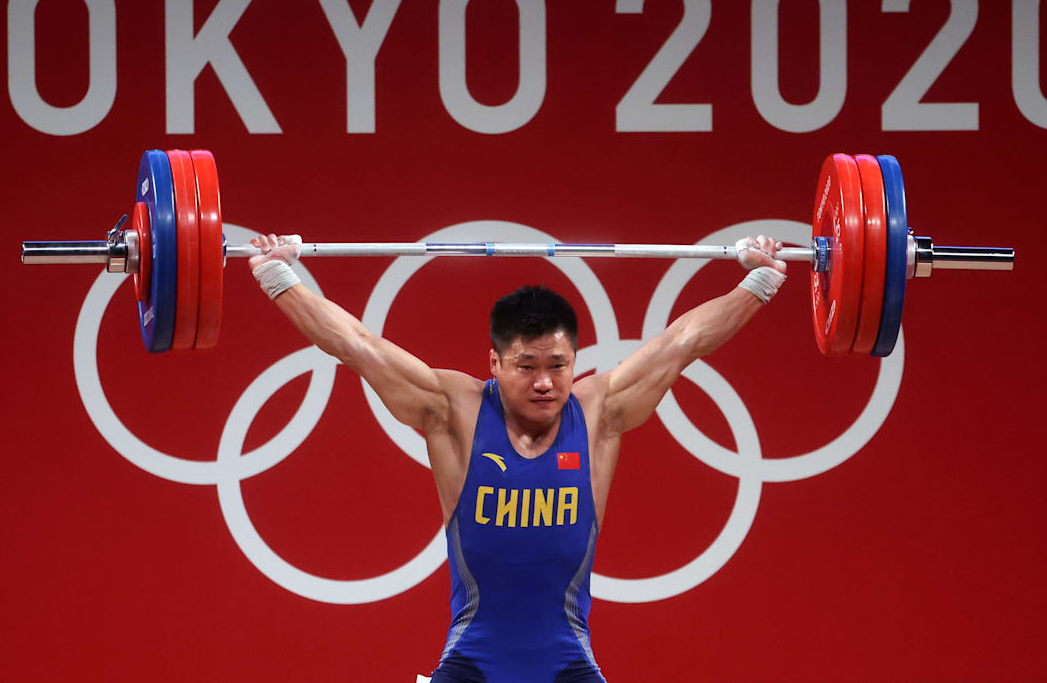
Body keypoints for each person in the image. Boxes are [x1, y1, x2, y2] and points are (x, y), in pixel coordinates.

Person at [247, 233, 788, 683]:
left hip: (568, 665)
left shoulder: (599, 412)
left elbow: (683, 342)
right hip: (471, 665)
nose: (546, 382)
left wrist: (759, 280)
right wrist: (279, 277)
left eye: (558, 364)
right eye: (526, 366)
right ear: (495, 362)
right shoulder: (452, 411)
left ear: (576, 359)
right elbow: (358, 345)